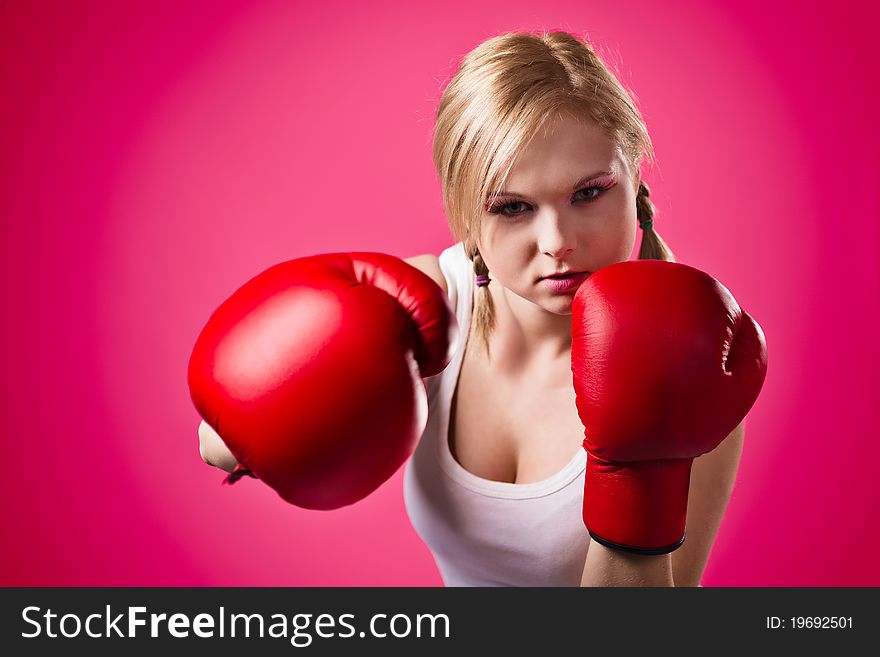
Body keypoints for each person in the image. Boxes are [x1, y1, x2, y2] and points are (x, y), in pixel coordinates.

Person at [197, 30, 761, 586]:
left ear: (634, 179)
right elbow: (219, 444)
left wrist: (639, 477)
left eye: (588, 193)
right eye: (512, 207)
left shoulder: (692, 362)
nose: (556, 240)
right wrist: (287, 393)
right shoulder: (427, 305)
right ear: (467, 214)